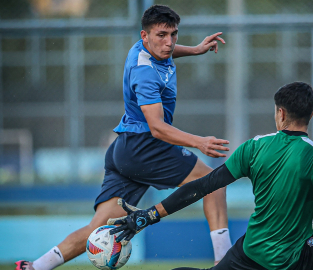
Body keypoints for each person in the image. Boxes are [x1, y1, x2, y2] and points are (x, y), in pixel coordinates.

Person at [15, 5, 232, 270]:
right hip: (146, 148)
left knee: (98, 229)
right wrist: (199, 142)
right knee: (214, 183)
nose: (170, 42)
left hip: (124, 150)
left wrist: (195, 49)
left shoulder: (141, 49)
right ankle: (225, 262)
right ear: (145, 36)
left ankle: (35, 267)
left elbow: (168, 49)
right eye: (162, 35)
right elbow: (157, 128)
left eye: (173, 34)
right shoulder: (145, 74)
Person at [108, 82, 313, 270]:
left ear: (279, 113)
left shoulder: (254, 147)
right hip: (296, 260)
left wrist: (149, 214)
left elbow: (204, 186)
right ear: (310, 116)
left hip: (248, 256)